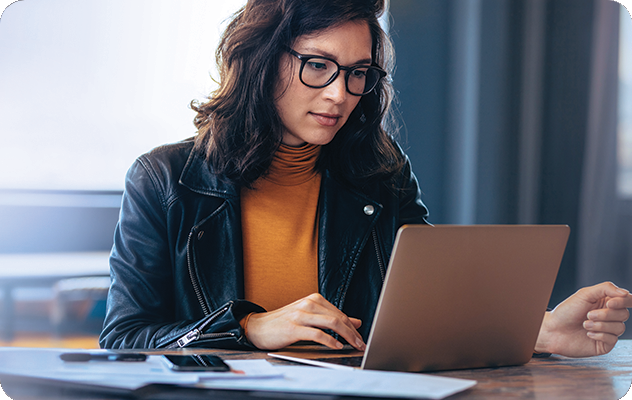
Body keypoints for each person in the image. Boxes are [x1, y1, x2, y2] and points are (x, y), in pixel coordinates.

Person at [99, 0, 632, 357]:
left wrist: (538, 329)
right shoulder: (164, 179)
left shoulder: (381, 171)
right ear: (261, 61)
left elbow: (425, 312)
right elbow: (123, 339)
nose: (339, 94)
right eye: (317, 65)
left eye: (358, 72)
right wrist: (246, 329)